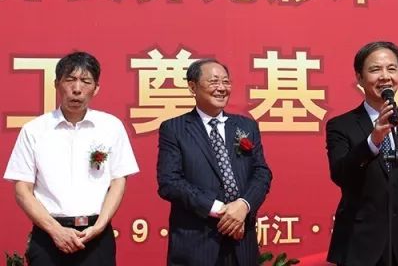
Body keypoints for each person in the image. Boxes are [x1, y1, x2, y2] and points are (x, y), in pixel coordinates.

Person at [4, 51, 139, 266]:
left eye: (86, 81)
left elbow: (118, 181)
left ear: (96, 88)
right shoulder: (34, 130)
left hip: (96, 236)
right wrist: (55, 231)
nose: (77, 89)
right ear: (56, 84)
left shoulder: (111, 127)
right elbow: (22, 189)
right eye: (70, 80)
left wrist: (100, 226)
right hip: (48, 235)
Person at [326, 41, 398, 266]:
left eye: (392, 69)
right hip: (360, 244)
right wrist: (373, 141)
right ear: (359, 78)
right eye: (375, 70)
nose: (385, 77)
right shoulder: (341, 125)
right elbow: (340, 175)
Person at [157, 59, 271, 266]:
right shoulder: (174, 129)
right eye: (214, 81)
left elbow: (261, 173)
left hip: (242, 241)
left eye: (226, 82)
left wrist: (243, 205)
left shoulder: (246, 126)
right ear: (192, 87)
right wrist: (221, 210)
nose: (221, 88)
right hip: (197, 243)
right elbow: (170, 182)